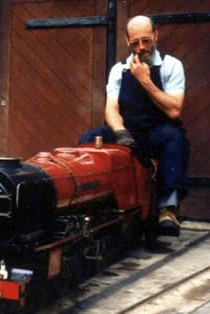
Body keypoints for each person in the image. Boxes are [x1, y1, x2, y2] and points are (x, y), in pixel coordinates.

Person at [78, 15, 190, 237]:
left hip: (158, 131)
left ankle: (167, 209)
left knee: (175, 138)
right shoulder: (118, 70)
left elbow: (174, 109)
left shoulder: (171, 65)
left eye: (146, 40)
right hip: (127, 132)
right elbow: (111, 108)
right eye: (135, 42)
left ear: (155, 36)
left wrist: (145, 80)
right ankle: (90, 204)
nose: (141, 47)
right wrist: (120, 132)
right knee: (89, 138)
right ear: (127, 41)